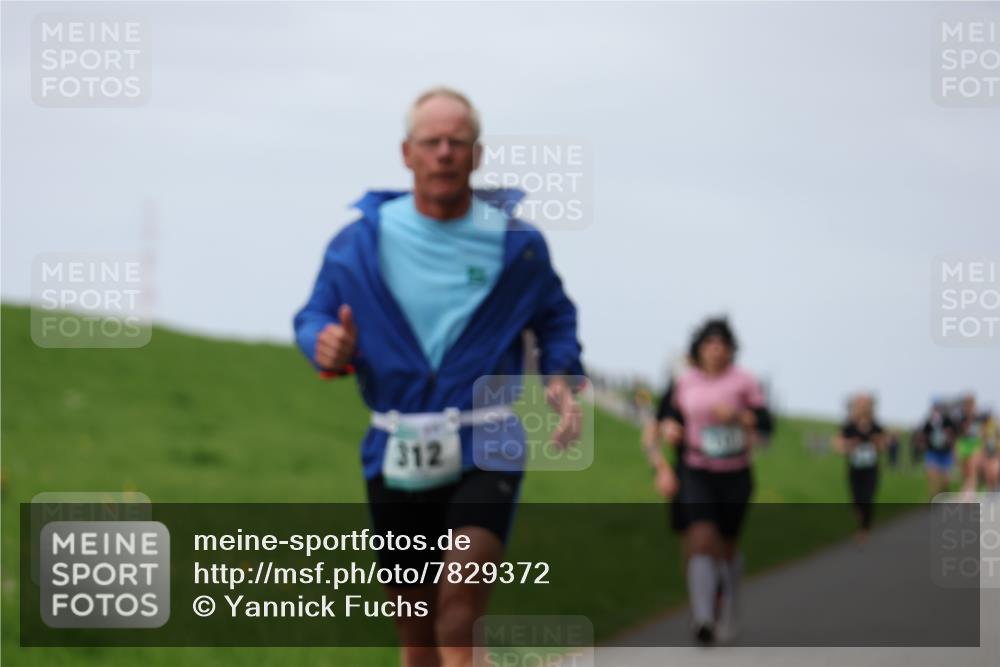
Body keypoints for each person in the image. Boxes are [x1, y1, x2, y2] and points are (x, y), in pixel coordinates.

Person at [293, 87, 585, 667]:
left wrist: (560, 378)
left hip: (486, 436)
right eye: (432, 142)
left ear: (477, 156)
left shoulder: (516, 244)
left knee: (460, 600)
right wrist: (326, 345)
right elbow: (314, 318)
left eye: (458, 142)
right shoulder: (359, 243)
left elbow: (554, 317)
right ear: (407, 153)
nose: (445, 153)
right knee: (416, 627)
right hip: (397, 443)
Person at [643, 318, 773, 645]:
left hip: (735, 472)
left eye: (722, 345)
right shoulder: (685, 382)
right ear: (698, 350)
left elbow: (766, 424)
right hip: (696, 468)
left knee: (726, 547)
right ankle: (703, 618)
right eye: (710, 344)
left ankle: (728, 605)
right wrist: (667, 443)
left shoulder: (744, 382)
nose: (716, 350)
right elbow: (662, 421)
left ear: (731, 350)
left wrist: (740, 417)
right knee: (701, 539)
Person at [832, 393, 886, 542]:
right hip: (855, 469)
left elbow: (883, 445)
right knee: (856, 499)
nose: (862, 407)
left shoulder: (876, 427)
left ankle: (864, 529)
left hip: (871, 469)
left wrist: (876, 443)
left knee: (867, 497)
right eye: (859, 404)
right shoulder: (849, 427)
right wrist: (850, 445)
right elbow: (838, 445)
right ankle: (861, 522)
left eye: (864, 404)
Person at [922, 399, 957, 499]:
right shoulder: (928, 423)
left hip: (945, 453)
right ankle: (933, 498)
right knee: (933, 478)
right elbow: (923, 436)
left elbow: (954, 436)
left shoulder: (948, 421)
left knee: (946, 479)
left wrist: (953, 450)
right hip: (933, 452)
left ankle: (944, 493)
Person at [956, 394, 985, 492]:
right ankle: (968, 492)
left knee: (972, 471)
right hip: (964, 446)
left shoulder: (979, 418)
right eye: (967, 405)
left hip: (975, 445)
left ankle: (967, 493)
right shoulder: (961, 419)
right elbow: (958, 437)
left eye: (971, 405)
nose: (969, 408)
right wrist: (957, 451)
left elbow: (983, 434)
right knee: (966, 474)